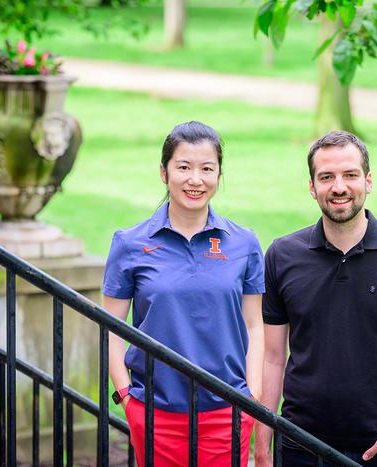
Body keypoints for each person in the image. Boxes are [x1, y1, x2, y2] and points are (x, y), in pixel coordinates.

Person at [254, 131, 377, 467]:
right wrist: (263, 443)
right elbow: (273, 357)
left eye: (350, 175)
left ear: (368, 180)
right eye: (326, 177)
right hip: (298, 446)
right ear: (311, 186)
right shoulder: (282, 255)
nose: (339, 187)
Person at [102, 121, 265, 467]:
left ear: (219, 175)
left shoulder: (244, 243)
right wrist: (124, 395)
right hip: (155, 410)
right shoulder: (130, 243)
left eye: (207, 169)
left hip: (228, 409)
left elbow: (255, 325)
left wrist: (252, 393)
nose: (196, 180)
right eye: (184, 167)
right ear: (163, 172)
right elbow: (111, 326)